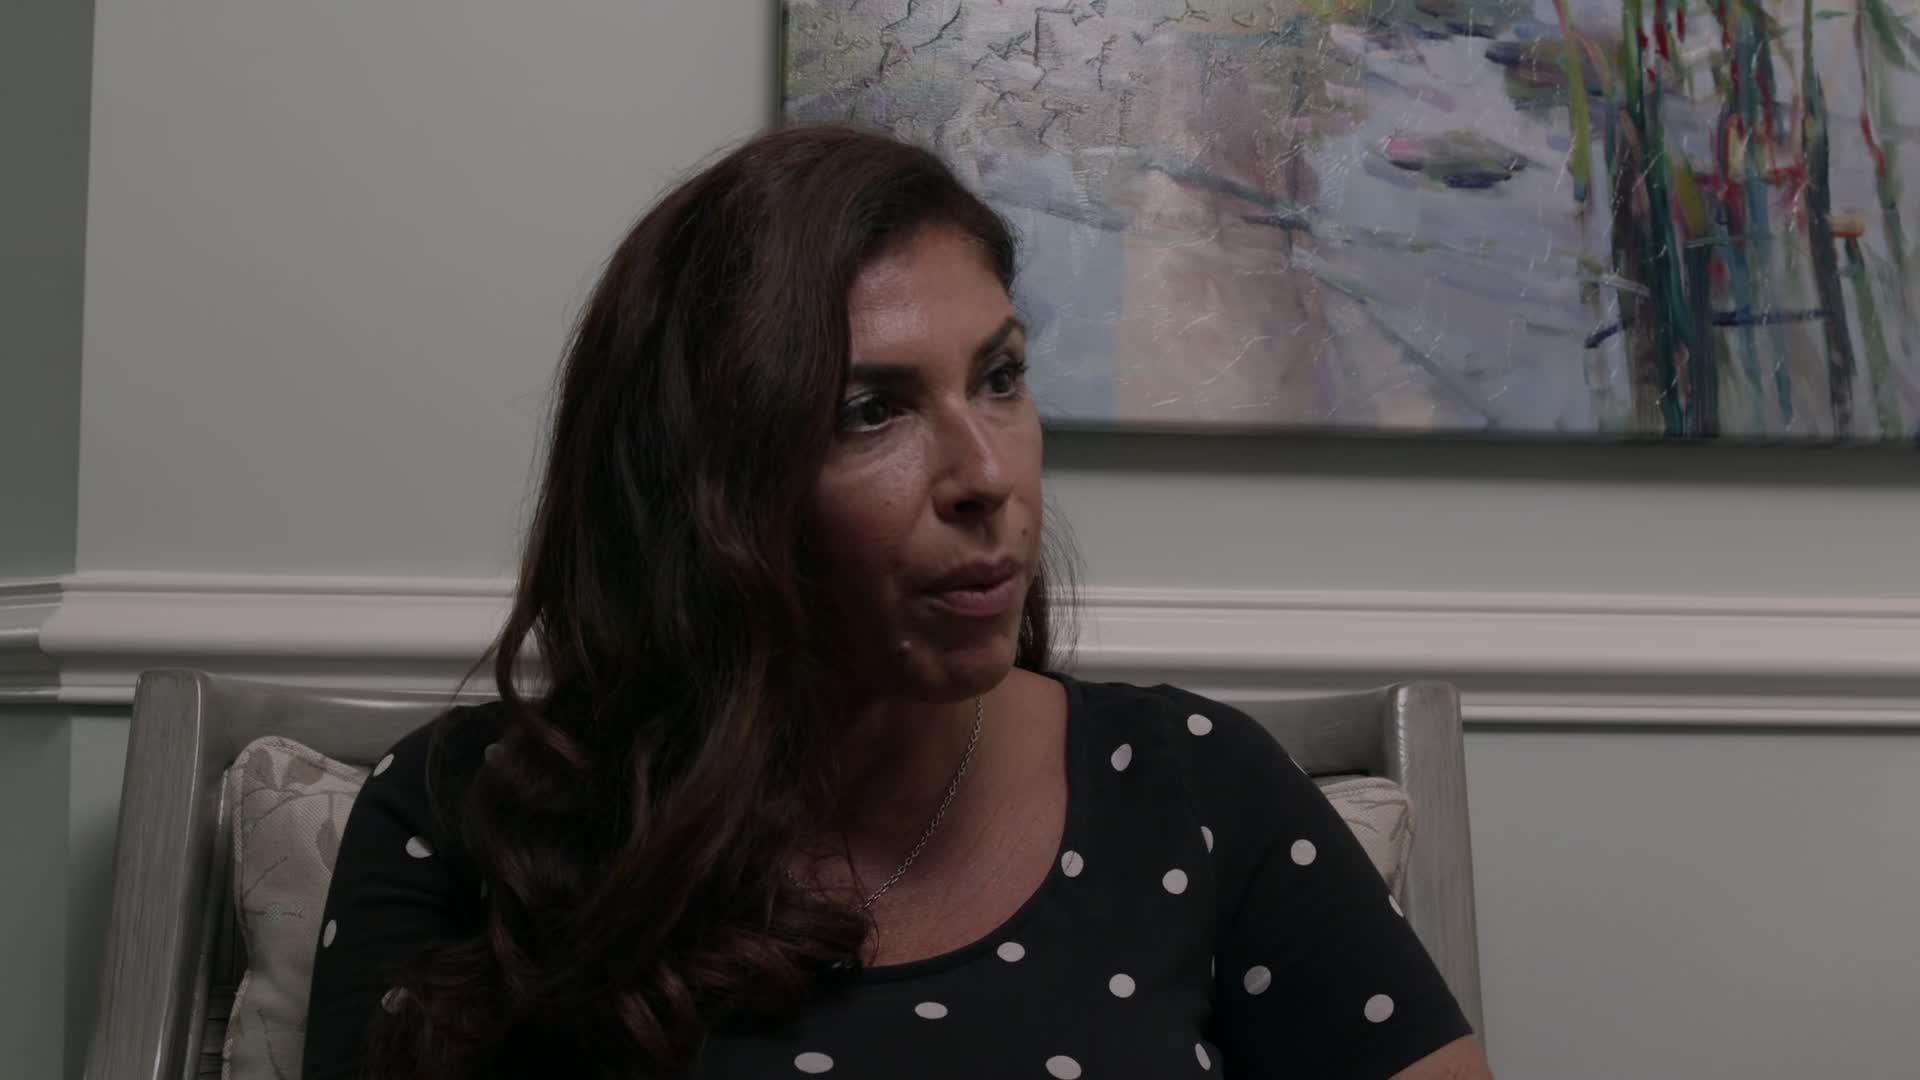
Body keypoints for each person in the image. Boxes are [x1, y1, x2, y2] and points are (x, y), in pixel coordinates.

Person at [302, 124, 1492, 1080]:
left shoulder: (1193, 788)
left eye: (1001, 378)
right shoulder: (466, 818)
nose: (986, 474)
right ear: (703, 484)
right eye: (870, 410)